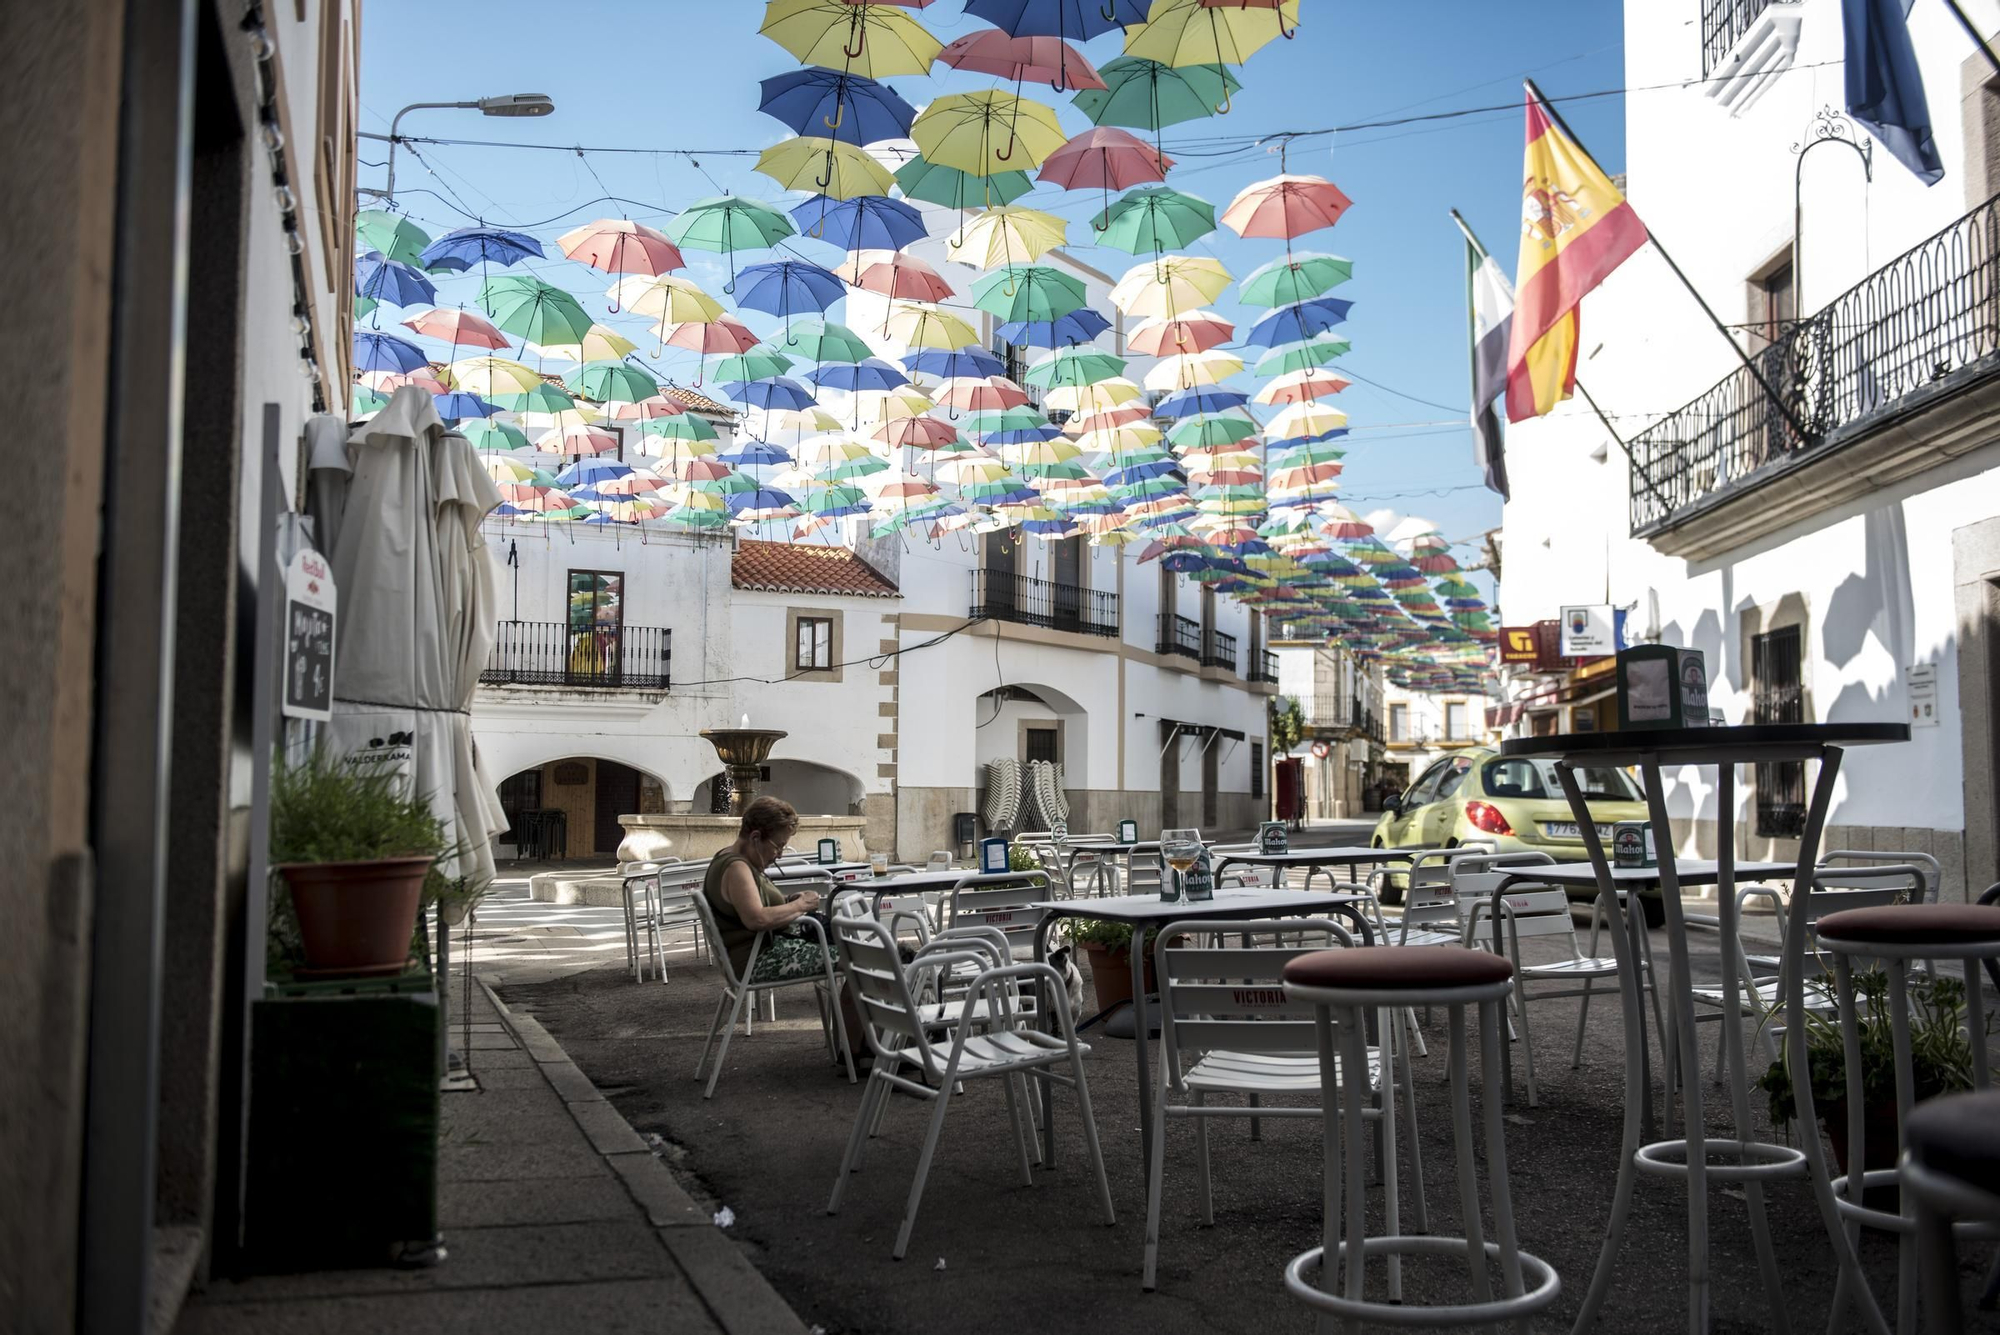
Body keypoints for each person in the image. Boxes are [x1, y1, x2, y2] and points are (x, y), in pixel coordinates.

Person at [702, 796, 830, 983]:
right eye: (778, 846)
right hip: (757, 960)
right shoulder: (737, 868)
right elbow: (757, 919)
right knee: (855, 958)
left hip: (754, 954)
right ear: (755, 837)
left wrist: (789, 901)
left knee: (850, 951)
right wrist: (801, 905)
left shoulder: (726, 856)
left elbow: (746, 905)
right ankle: (855, 1012)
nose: (779, 854)